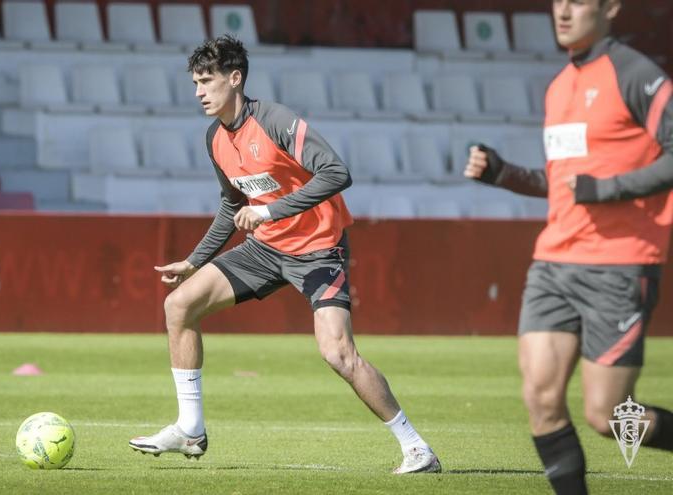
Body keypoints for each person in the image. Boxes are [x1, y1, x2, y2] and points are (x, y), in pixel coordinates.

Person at [128, 35, 441, 474]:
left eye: (207, 80)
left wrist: (271, 210)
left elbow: (336, 172)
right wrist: (194, 260)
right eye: (195, 82)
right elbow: (232, 205)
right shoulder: (215, 138)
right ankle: (190, 428)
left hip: (318, 249)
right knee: (178, 305)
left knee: (339, 354)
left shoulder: (275, 120)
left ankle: (417, 448)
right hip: (265, 248)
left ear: (235, 79)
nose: (198, 91)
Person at [464, 0, 673, 493]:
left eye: (577, 2)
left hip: (619, 264)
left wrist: (607, 189)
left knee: (608, 416)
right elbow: (564, 183)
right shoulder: (560, 86)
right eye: (558, 1)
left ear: (611, 8)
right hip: (554, 261)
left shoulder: (635, 73)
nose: (563, 11)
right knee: (540, 397)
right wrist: (504, 174)